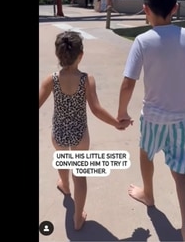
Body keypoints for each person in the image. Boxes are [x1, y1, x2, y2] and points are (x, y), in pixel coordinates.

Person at [116, 0, 185, 242]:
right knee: (181, 174)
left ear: (145, 9)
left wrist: (121, 114)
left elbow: (128, 83)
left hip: (153, 119)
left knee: (146, 153)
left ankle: (149, 194)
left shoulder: (142, 41)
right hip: (182, 121)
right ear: (175, 8)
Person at [39, 31, 132, 231]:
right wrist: (117, 123)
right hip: (80, 133)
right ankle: (78, 218)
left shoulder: (51, 79)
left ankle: (64, 185)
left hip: (59, 132)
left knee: (62, 158)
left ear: (58, 55)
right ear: (81, 55)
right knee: (80, 175)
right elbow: (96, 109)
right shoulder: (86, 80)